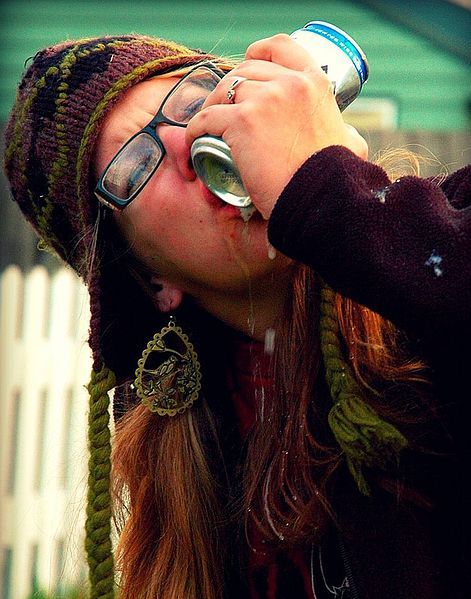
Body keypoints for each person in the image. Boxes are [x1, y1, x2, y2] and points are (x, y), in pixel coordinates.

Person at [4, 31, 470, 599]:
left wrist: (327, 193)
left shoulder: (444, 237)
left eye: (193, 98)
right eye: (136, 165)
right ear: (151, 282)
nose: (187, 140)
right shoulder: (195, 469)